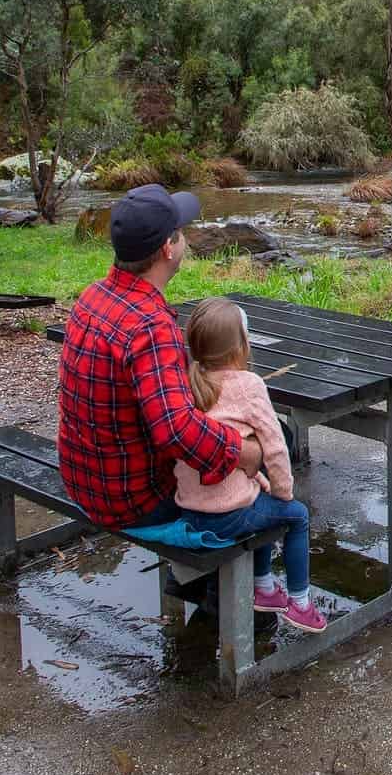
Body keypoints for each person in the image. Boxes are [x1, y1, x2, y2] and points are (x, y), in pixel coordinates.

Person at [57, 184, 264, 532]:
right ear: (168, 248)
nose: (184, 240)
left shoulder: (92, 296)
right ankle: (213, 580)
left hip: (84, 481)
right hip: (133, 499)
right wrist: (248, 454)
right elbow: (175, 430)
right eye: (180, 233)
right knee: (275, 440)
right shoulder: (150, 326)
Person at [175, 297, 326, 634]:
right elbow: (274, 447)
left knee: (259, 496)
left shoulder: (186, 383)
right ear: (242, 345)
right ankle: (300, 604)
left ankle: (265, 586)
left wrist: (261, 481)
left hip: (189, 509)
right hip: (226, 515)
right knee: (295, 516)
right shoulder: (248, 385)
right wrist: (285, 491)